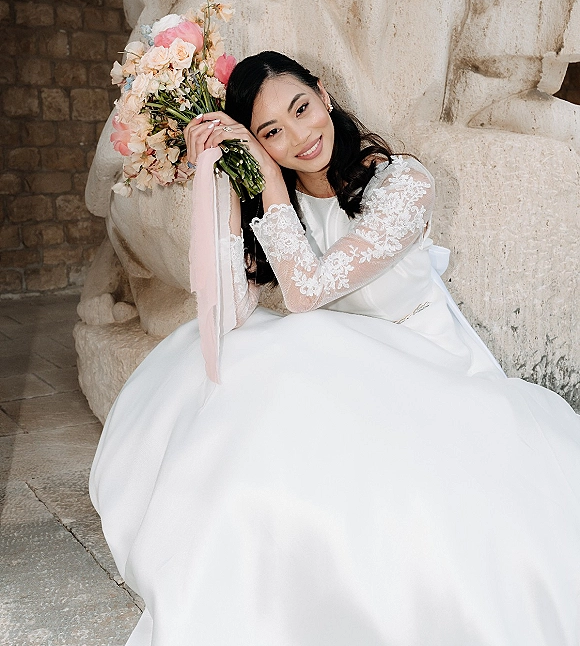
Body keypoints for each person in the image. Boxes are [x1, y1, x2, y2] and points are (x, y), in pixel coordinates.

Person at [90, 52, 580, 646]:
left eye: (301, 109)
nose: (299, 137)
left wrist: (267, 180)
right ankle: (236, 567)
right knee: (231, 355)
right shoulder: (280, 208)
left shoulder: (403, 182)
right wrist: (219, 180)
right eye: (272, 133)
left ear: (324, 94)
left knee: (296, 348)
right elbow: (229, 314)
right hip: (346, 368)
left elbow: (307, 292)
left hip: (430, 365)